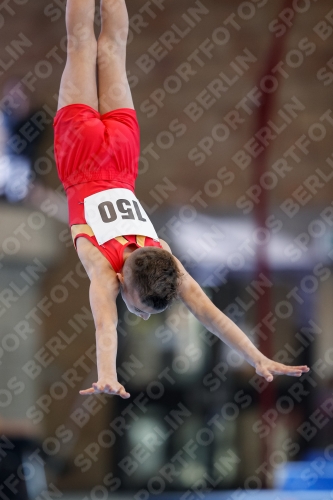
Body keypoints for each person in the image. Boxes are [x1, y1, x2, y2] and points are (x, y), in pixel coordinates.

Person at [54, 0, 309, 399]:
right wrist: (108, 374)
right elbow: (106, 325)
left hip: (122, 155)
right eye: (139, 307)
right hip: (80, 155)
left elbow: (209, 313)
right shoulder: (104, 270)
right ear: (123, 279)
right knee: (80, 45)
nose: (138, 312)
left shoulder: (165, 257)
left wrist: (257, 355)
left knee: (114, 46)